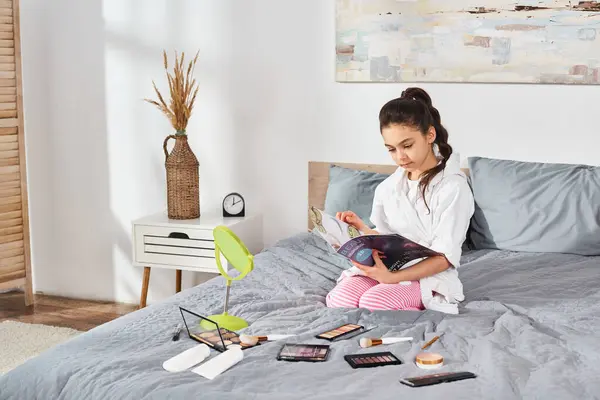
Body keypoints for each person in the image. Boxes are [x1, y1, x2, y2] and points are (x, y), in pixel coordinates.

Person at [325, 87, 475, 314]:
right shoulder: (389, 187)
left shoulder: (453, 187)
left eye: (407, 146)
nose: (400, 157)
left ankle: (411, 302)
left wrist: (393, 278)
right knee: (340, 300)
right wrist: (361, 229)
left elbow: (445, 257)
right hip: (387, 267)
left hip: (427, 274)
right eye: (391, 149)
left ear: (430, 135)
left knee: (374, 304)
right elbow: (388, 239)